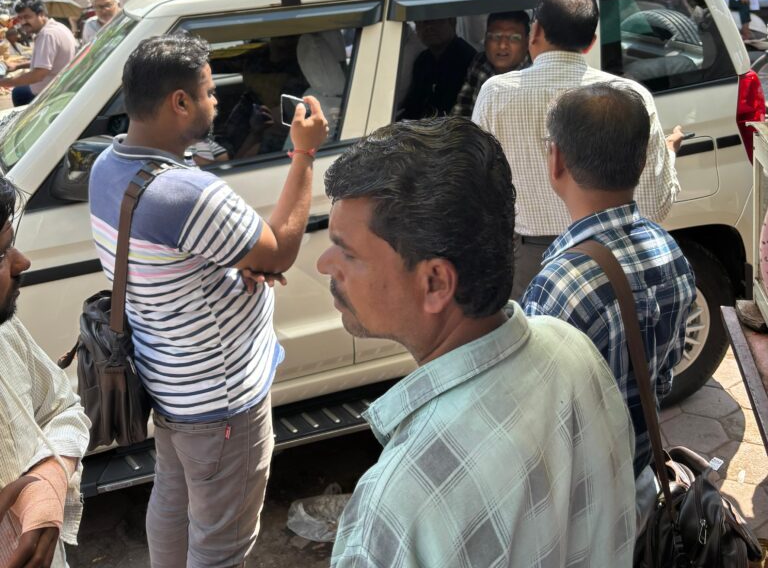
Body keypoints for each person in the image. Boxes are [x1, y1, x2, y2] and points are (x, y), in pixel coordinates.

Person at [318, 118, 636, 568]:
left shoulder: (396, 507)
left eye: (346, 252)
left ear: (435, 282)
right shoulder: (571, 350)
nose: (324, 264)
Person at [88, 35, 328, 568]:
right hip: (221, 405)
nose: (216, 102)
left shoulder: (109, 166)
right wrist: (304, 152)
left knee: (172, 502)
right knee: (221, 545)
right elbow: (281, 250)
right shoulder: (188, 193)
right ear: (179, 102)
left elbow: (175, 258)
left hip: (170, 385)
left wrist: (241, 259)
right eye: (208, 92)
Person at [522, 85, 695, 493]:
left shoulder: (557, 286)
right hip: (640, 471)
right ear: (641, 164)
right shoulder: (668, 249)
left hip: (581, 497)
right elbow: (664, 376)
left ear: (557, 161)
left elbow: (535, 421)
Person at [473, 0, 683, 300]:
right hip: (613, 256)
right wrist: (668, 154)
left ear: (536, 32)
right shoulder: (631, 96)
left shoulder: (495, 94)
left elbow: (479, 188)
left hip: (530, 260)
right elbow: (654, 207)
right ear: (591, 43)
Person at [0, 176, 90, 568]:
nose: (22, 262)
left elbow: (62, 409)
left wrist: (48, 485)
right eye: (0, 254)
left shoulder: (5, 332)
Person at [451, 10, 530, 116]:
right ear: (485, 40)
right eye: (495, 37)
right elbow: (462, 109)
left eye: (513, 38)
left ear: (527, 43)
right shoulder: (480, 62)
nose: (502, 45)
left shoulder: (535, 73)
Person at [0, 0, 76, 107]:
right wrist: (17, 66)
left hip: (51, 94)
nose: (23, 22)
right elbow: (46, 62)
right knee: (19, 91)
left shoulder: (47, 35)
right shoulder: (57, 27)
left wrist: (3, 83)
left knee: (18, 93)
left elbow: (38, 75)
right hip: (59, 86)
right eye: (20, 18)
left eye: (27, 17)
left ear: (41, 14)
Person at [398, 18, 475, 119]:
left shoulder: (467, 59)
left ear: (452, 22)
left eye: (434, 20)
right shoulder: (423, 60)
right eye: (421, 22)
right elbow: (413, 103)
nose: (428, 27)